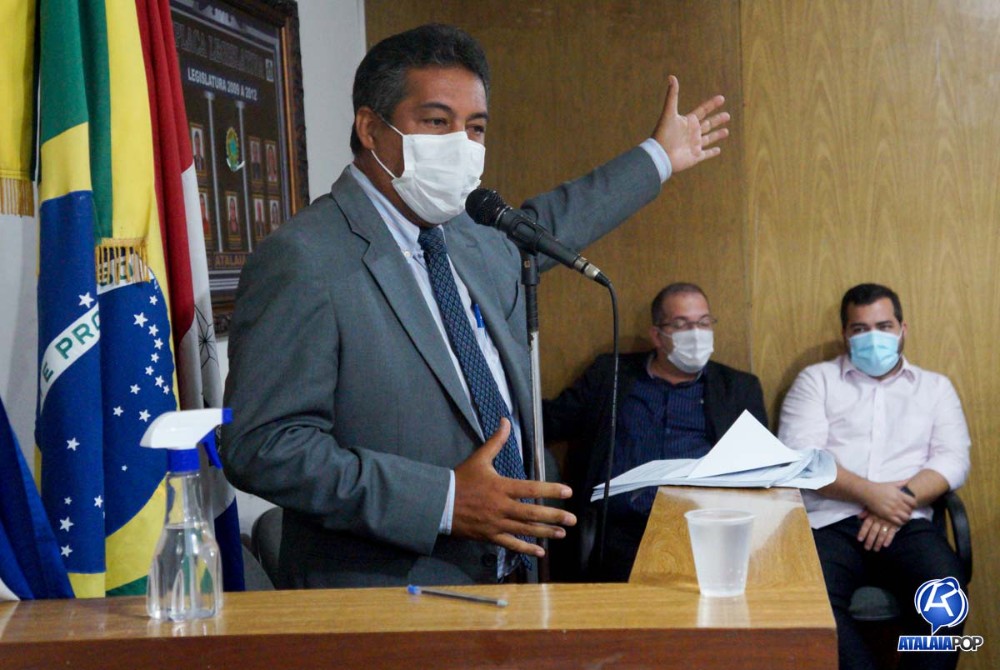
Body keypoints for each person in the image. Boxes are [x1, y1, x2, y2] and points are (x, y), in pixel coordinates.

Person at [221, 23, 730, 588]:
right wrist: (443, 501)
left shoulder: (466, 233)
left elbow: (555, 223)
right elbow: (261, 446)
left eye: (476, 127)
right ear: (370, 127)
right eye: (437, 122)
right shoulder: (305, 258)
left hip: (516, 574)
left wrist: (658, 158)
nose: (462, 145)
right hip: (396, 595)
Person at [778, 283, 971, 670]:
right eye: (860, 329)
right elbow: (803, 458)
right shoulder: (816, 380)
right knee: (810, 606)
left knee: (946, 600)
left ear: (902, 329)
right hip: (830, 523)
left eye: (884, 326)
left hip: (907, 521)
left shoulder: (935, 388)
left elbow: (953, 459)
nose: (873, 337)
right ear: (845, 334)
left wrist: (897, 501)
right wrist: (870, 494)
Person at [544, 282, 767, 581]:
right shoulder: (610, 375)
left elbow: (762, 467)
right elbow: (551, 421)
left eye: (703, 322)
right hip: (619, 531)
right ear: (657, 335)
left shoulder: (738, 388)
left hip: (704, 531)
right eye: (681, 324)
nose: (696, 333)